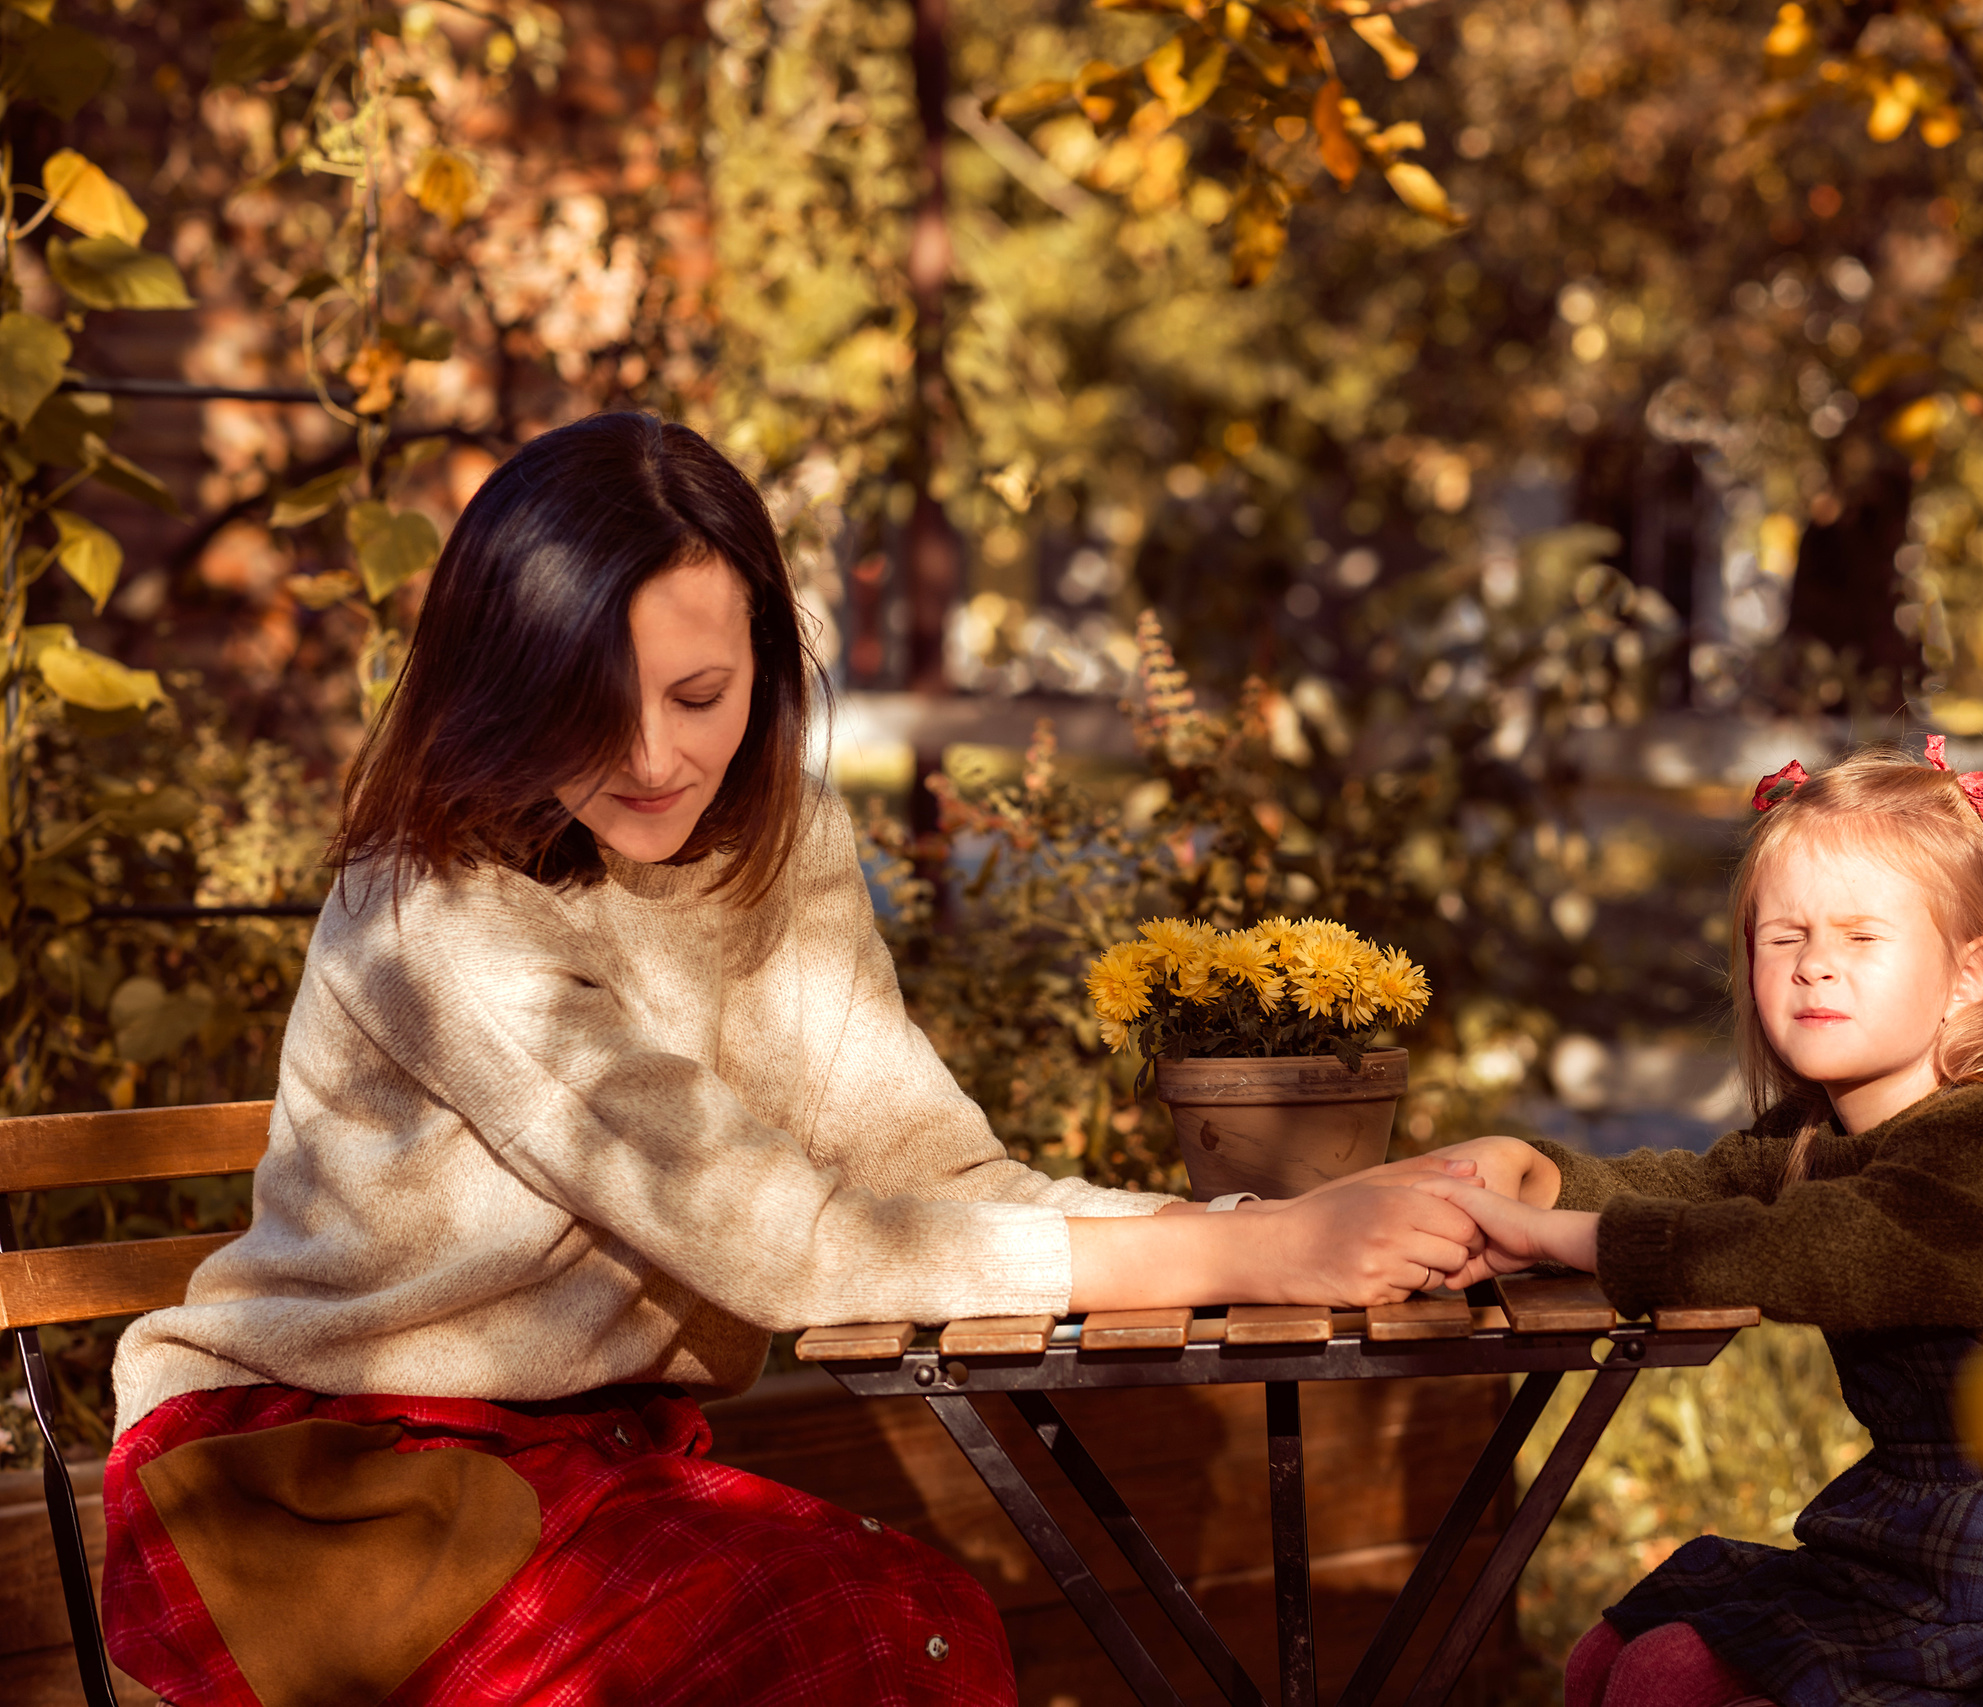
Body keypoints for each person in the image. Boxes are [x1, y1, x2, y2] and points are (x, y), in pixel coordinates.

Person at [101, 413, 1494, 1707]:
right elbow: (771, 1236)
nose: (655, 754)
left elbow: (927, 1169)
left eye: (700, 691)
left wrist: (1265, 1228)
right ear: (507, 683)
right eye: (592, 701)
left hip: (585, 1470)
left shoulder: (786, 842)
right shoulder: (433, 902)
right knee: (873, 1630)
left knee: (908, 1619)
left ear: (767, 654)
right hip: (311, 1481)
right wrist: (1249, 1258)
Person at [1439, 742, 1983, 1707]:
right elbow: (1700, 1186)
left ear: (1971, 974)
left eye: (1862, 937)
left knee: (1667, 1674)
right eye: (1785, 937)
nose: (1816, 964)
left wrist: (1572, 1242)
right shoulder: (1823, 1131)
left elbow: (1812, 1247)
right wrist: (1542, 1181)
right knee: (1613, 1653)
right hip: (1933, 1548)